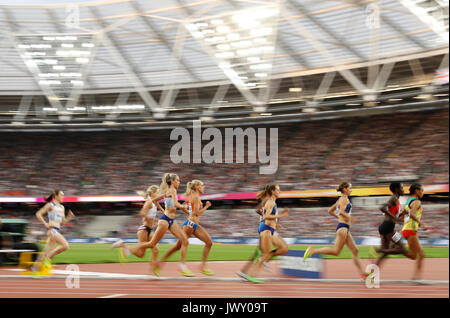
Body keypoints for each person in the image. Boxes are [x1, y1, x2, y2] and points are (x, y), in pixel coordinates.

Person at [114, 173, 193, 277]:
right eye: (177, 180)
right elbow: (175, 204)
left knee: (185, 241)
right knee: (151, 244)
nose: (179, 182)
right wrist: (184, 207)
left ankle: (179, 267)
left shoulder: (170, 191)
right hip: (164, 221)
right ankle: (127, 248)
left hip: (170, 220)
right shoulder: (172, 190)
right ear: (172, 181)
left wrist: (168, 208)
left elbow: (161, 202)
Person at [303, 182, 369, 280]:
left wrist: (339, 217)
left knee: (355, 250)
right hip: (343, 228)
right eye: (350, 188)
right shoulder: (344, 199)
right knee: (336, 251)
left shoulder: (340, 199)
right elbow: (342, 212)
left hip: (345, 228)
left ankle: (363, 274)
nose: (351, 190)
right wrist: (350, 218)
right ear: (345, 189)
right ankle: (312, 251)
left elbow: (330, 210)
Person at [159, 180, 214, 275]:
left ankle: (202, 267)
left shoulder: (194, 197)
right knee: (179, 246)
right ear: (196, 187)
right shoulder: (195, 197)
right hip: (190, 224)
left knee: (209, 243)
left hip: (194, 225)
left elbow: (185, 206)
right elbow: (196, 213)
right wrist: (206, 207)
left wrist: (188, 211)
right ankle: (181, 266)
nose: (203, 187)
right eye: (202, 185)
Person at [243, 184, 289, 283]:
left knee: (284, 248)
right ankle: (251, 275)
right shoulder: (271, 202)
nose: (279, 191)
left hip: (269, 229)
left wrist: (276, 223)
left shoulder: (272, 202)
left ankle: (255, 268)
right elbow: (266, 217)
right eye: (278, 190)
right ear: (272, 191)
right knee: (266, 254)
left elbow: (265, 215)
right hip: (266, 229)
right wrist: (282, 215)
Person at [112, 185, 163, 269]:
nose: (159, 194)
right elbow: (142, 213)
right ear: (152, 193)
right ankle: (123, 245)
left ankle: (154, 267)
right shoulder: (149, 202)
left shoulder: (153, 203)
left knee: (153, 250)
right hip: (144, 230)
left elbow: (151, 217)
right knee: (142, 253)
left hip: (149, 230)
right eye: (157, 192)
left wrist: (158, 221)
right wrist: (149, 219)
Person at [370, 182, 412, 266]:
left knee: (386, 252)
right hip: (388, 227)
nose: (403, 190)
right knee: (402, 249)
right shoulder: (394, 198)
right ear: (397, 189)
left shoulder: (396, 199)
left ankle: (371, 273)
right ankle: (379, 250)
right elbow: (382, 208)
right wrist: (395, 218)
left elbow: (392, 212)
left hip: (386, 227)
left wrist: (402, 214)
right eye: (402, 188)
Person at [33, 190, 75, 273]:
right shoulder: (51, 205)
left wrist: (69, 217)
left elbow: (63, 222)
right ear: (56, 196)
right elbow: (38, 214)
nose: (63, 197)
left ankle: (35, 268)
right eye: (61, 195)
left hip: (56, 230)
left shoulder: (62, 207)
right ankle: (48, 259)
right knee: (65, 245)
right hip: (52, 230)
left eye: (63, 195)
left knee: (46, 251)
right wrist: (45, 223)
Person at [399, 183, 427, 282]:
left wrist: (403, 215)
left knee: (413, 256)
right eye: (421, 190)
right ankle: (417, 278)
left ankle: (399, 249)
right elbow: (411, 214)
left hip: (407, 229)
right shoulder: (417, 202)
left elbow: (404, 215)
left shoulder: (409, 201)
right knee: (421, 255)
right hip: (410, 230)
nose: (423, 192)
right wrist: (421, 223)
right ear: (416, 191)